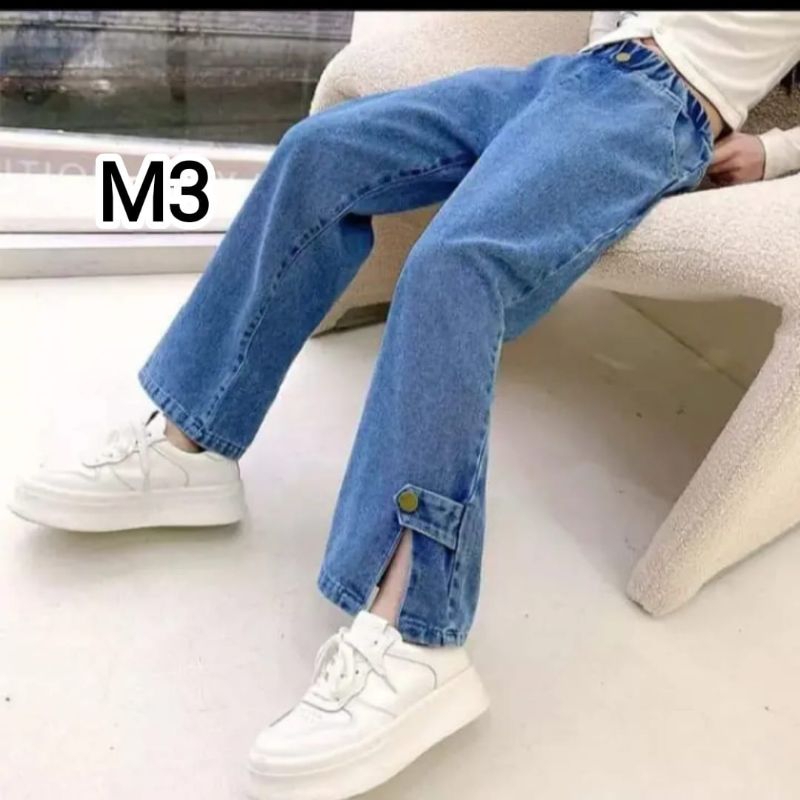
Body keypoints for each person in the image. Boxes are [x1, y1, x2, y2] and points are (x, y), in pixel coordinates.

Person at [10, 11, 800, 800]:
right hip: (573, 76)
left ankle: (418, 634)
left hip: (660, 109)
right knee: (318, 153)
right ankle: (193, 442)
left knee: (456, 267)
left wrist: (774, 151)